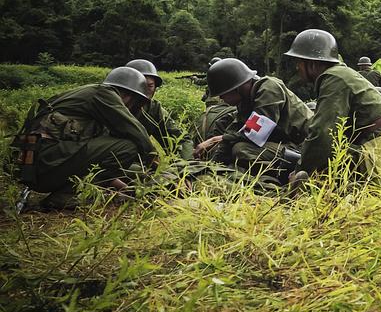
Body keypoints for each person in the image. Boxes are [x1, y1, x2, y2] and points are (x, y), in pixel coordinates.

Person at [12, 66, 157, 208]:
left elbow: (96, 164)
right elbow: (135, 130)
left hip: (36, 169)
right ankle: (66, 195)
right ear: (128, 95)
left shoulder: (86, 96)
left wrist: (125, 189)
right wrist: (154, 161)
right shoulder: (104, 93)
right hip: (46, 165)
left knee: (126, 160)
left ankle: (66, 193)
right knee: (128, 147)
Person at [285, 29, 381, 186]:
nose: (297, 68)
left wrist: (301, 171)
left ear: (311, 63)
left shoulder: (334, 79)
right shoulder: (343, 74)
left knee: (316, 164)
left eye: (298, 62)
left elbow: (322, 135)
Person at [193, 58, 312, 183]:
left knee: (242, 149)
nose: (221, 98)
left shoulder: (269, 88)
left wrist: (216, 139)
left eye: (224, 93)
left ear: (237, 87)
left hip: (305, 149)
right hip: (287, 146)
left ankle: (297, 175)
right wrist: (210, 167)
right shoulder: (245, 101)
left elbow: (256, 133)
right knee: (235, 146)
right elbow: (233, 133)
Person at [126, 58, 186, 157]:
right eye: (139, 85)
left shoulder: (153, 109)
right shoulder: (110, 104)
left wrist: (184, 163)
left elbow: (180, 139)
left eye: (150, 86)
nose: (144, 91)